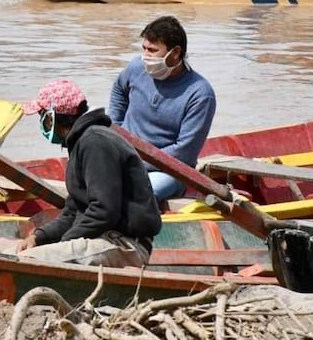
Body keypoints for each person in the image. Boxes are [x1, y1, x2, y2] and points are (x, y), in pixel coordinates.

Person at [16, 80, 161, 268]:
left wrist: (65, 243)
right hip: (100, 237)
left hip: (124, 244)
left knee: (30, 260)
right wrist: (39, 237)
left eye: (43, 116)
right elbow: (72, 212)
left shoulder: (95, 142)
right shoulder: (81, 142)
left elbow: (104, 211)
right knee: (16, 253)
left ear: (53, 118)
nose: (42, 122)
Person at [108, 16, 216, 202]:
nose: (146, 56)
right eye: (144, 49)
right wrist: (115, 127)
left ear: (175, 53)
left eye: (152, 50)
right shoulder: (136, 67)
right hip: (123, 156)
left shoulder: (200, 94)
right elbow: (119, 90)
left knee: (136, 196)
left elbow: (183, 152)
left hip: (168, 171)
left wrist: (135, 162)